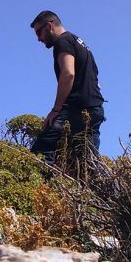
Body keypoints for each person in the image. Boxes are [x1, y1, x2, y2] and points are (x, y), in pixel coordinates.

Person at [29, 10, 105, 163]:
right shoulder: (79, 42)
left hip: (75, 109)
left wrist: (56, 110)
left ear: (49, 26)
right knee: (85, 161)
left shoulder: (62, 42)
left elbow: (68, 73)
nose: (38, 39)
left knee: (41, 153)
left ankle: (40, 187)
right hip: (95, 108)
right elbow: (96, 79)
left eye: (39, 32)